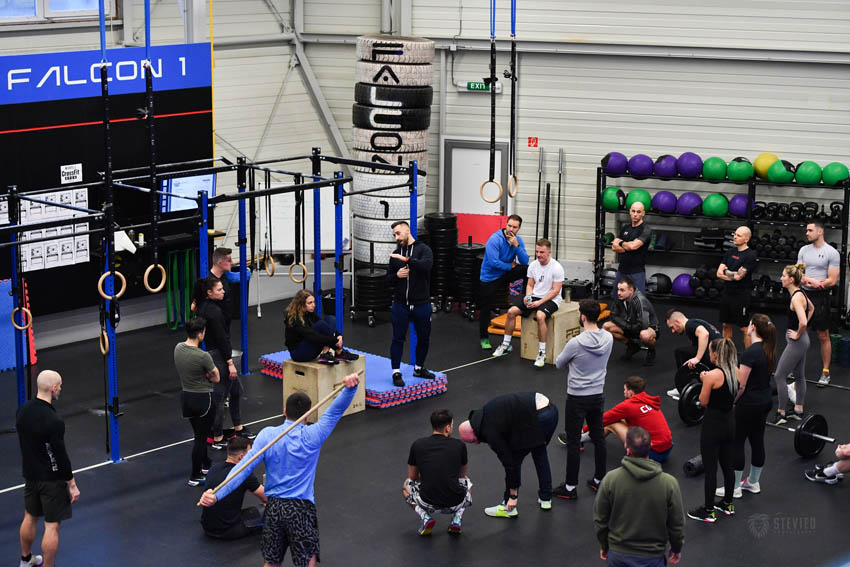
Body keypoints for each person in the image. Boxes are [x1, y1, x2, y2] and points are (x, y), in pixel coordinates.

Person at [199, 372, 361, 567]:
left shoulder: (267, 435)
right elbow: (334, 412)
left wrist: (217, 495)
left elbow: (242, 469)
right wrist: (350, 389)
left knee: (272, 561)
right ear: (307, 415)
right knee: (306, 561)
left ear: (285, 411)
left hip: (274, 508)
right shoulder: (313, 435)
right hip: (301, 509)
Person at [458, 392, 559, 517]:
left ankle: (508, 507)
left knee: (514, 459)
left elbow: (509, 462)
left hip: (539, 416)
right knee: (539, 450)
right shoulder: (483, 413)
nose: (476, 443)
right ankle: (546, 498)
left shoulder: (491, 433)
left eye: (473, 440)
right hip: (551, 410)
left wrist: (512, 495)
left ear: (473, 431)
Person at [17, 370, 81, 567]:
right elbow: (60, 456)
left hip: (30, 476)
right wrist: (71, 484)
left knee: (30, 517)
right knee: (51, 527)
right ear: (53, 388)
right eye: (59, 385)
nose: (60, 388)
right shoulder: (54, 421)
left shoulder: (22, 411)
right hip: (51, 481)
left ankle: (25, 560)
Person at [594, 426, 684, 566]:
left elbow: (600, 519)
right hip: (652, 558)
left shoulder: (611, 479)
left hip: (618, 556)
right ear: (651, 446)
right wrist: (676, 549)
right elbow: (676, 525)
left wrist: (605, 546)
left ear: (627, 448)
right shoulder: (669, 483)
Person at [553, 299, 613, 499]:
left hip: (577, 397)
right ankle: (599, 479)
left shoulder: (576, 343)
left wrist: (573, 362)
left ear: (583, 317)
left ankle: (570, 488)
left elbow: (559, 364)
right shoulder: (608, 338)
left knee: (573, 441)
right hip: (597, 395)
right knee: (598, 438)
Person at [717, 313, 775, 499]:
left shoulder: (750, 352)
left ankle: (734, 488)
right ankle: (753, 482)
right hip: (764, 401)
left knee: (737, 441)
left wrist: (732, 401)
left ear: (753, 328)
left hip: (749, 404)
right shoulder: (769, 349)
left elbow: (741, 385)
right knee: (757, 439)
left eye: (749, 324)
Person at [194, 277, 250, 449]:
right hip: (218, 355)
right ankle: (218, 437)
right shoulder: (213, 312)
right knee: (219, 398)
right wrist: (229, 362)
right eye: (219, 290)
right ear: (209, 293)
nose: (223, 291)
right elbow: (222, 338)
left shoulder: (202, 307)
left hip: (214, 353)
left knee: (235, 391)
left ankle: (237, 428)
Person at [687, 338, 738, 523]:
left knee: (710, 470)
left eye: (710, 352)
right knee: (727, 466)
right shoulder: (736, 372)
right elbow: (732, 397)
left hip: (713, 427)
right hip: (730, 425)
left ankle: (708, 511)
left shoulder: (711, 376)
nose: (709, 355)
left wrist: (704, 380)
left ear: (716, 354)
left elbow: (703, 401)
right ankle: (727, 504)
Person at [492, 237, 565, 368]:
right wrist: (528, 296)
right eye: (537, 252)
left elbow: (555, 291)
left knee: (540, 316)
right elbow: (530, 284)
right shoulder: (533, 265)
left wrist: (539, 303)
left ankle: (542, 352)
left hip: (551, 299)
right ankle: (506, 344)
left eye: (542, 252)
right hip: (536, 296)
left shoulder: (557, 267)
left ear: (549, 252)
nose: (539, 255)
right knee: (511, 311)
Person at [571, 377, 672, 464]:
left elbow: (603, 419)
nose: (623, 392)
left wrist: (584, 429)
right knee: (620, 418)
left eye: (624, 390)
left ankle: (578, 440)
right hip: (666, 450)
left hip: (651, 454)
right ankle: (589, 438)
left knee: (612, 423)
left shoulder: (628, 406)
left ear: (630, 393)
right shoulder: (649, 400)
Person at [403, 409, 472, 535]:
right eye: (452, 425)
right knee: (468, 482)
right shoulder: (459, 445)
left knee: (406, 485)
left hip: (427, 502)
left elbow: (412, 477)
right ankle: (456, 518)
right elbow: (461, 476)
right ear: (447, 428)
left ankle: (425, 516)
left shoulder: (417, 445)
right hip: (455, 502)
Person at [387, 220, 435, 388]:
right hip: (401, 304)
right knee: (398, 338)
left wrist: (407, 259)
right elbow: (388, 280)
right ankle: (396, 372)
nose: (396, 237)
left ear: (408, 231)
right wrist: (397, 276)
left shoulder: (424, 250)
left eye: (399, 233)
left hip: (422, 304)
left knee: (424, 338)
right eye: (394, 235)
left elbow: (426, 266)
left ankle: (419, 368)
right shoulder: (395, 254)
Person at [175, 316, 220, 486]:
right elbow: (217, 378)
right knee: (201, 439)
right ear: (201, 334)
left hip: (186, 398)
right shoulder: (203, 356)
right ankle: (195, 475)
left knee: (198, 434)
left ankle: (206, 463)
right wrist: (207, 375)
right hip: (203, 400)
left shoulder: (178, 348)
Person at [797, 221, 840, 386]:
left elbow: (833, 279)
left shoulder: (832, 252)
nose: (806, 233)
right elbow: (798, 273)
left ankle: (825, 372)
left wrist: (818, 283)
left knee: (823, 335)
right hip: (803, 295)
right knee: (801, 332)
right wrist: (807, 281)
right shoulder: (803, 250)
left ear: (820, 231)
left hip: (821, 296)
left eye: (810, 230)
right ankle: (797, 368)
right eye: (806, 230)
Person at [771, 263, 814, 425]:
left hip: (798, 341)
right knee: (799, 376)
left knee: (780, 375)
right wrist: (800, 331)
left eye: (783, 276)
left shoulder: (796, 297)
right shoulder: (800, 292)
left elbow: (803, 321)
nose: (781, 278)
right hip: (802, 341)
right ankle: (798, 410)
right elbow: (812, 308)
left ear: (790, 280)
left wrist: (798, 332)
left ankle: (781, 413)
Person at [478, 214, 529, 350]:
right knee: (485, 308)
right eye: (509, 225)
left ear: (519, 228)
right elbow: (494, 262)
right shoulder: (494, 239)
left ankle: (526, 300)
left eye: (515, 227)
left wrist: (517, 246)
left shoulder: (517, 241)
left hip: (505, 274)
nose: (511, 229)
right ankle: (484, 338)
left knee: (527, 270)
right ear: (506, 224)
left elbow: (524, 261)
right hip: (490, 277)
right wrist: (510, 266)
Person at [201, 437, 267, 539]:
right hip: (228, 530)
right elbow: (266, 498)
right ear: (241, 457)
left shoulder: (214, 468)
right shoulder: (244, 475)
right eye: (250, 454)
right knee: (272, 508)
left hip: (207, 527)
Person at [284, 289, 359, 365]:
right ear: (301, 304)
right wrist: (335, 341)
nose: (313, 305)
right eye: (310, 303)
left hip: (310, 346)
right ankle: (339, 352)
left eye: (314, 302)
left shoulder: (309, 312)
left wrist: (339, 335)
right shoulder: (294, 318)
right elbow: (312, 336)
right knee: (320, 325)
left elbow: (325, 326)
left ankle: (326, 354)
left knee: (330, 319)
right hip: (299, 354)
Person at [716, 226, 758, 347]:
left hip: (741, 296)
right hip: (727, 294)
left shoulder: (751, 255)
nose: (735, 237)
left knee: (744, 328)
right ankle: (727, 354)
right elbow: (718, 273)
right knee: (725, 325)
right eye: (735, 234)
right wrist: (732, 274)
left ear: (746, 239)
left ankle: (749, 359)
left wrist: (727, 271)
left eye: (739, 235)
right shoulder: (730, 252)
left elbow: (739, 277)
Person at [602, 276, 658, 366]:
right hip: (631, 325)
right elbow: (613, 315)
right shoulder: (620, 298)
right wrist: (627, 326)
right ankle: (632, 346)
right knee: (606, 327)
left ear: (631, 291)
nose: (619, 293)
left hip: (648, 328)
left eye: (622, 290)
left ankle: (651, 350)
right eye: (618, 289)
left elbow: (643, 324)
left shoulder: (639, 300)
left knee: (645, 335)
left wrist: (628, 327)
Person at [665, 310, 721, 400]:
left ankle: (682, 389)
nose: (673, 331)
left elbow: (704, 334)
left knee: (680, 352)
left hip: (716, 356)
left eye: (672, 327)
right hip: (716, 354)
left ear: (677, 322)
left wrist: (697, 358)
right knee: (688, 352)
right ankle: (692, 387)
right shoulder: (694, 322)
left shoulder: (689, 325)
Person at [610, 200, 651, 296]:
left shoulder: (646, 229)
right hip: (622, 271)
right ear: (630, 211)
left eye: (638, 212)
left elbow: (633, 246)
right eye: (633, 211)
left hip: (636, 272)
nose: (635, 214)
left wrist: (621, 243)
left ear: (643, 213)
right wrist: (627, 246)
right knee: (617, 299)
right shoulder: (625, 228)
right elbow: (614, 247)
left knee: (638, 302)